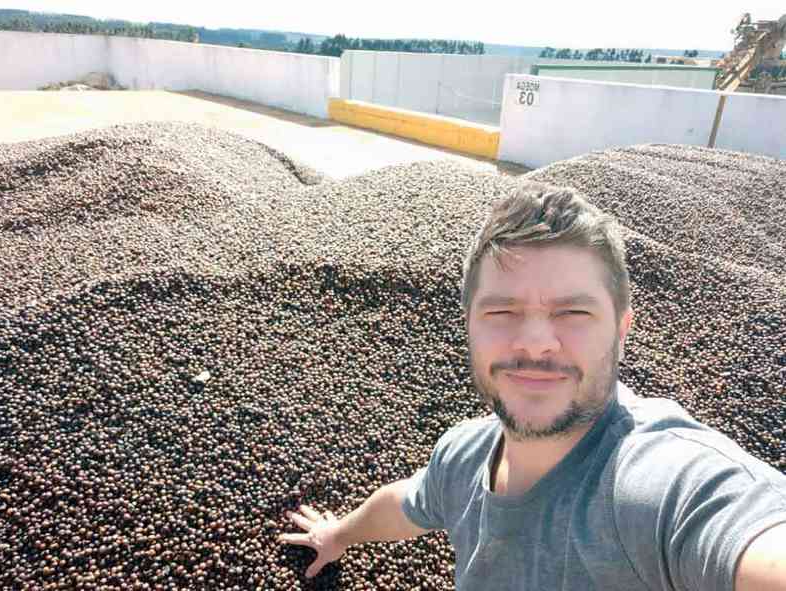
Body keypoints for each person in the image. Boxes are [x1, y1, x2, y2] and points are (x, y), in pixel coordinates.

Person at [279, 182, 786, 590]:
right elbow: (412, 502)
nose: (537, 342)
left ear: (621, 330)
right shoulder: (463, 455)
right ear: (469, 327)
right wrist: (339, 533)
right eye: (502, 311)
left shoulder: (663, 488)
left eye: (573, 311)